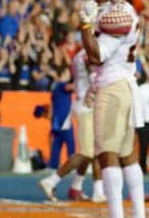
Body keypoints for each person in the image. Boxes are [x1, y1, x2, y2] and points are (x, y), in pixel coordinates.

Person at [78, 0, 149, 218]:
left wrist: (85, 24)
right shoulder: (118, 10)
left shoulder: (116, 14)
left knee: (107, 155)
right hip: (124, 85)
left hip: (113, 87)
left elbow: (97, 55)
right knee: (127, 156)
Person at [38, 50, 103, 202]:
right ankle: (52, 181)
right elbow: (92, 70)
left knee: (94, 151)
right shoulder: (88, 52)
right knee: (87, 152)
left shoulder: (83, 53)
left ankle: (78, 187)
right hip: (86, 105)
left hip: (88, 104)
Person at [46, 67, 76, 175]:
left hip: (57, 120)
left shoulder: (55, 86)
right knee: (70, 143)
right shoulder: (62, 85)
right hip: (64, 120)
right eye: (68, 73)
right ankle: (71, 166)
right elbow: (72, 87)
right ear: (63, 74)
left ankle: (53, 165)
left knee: (57, 144)